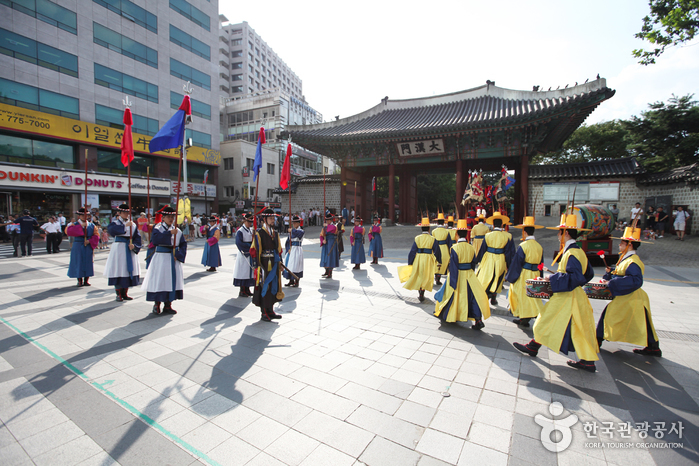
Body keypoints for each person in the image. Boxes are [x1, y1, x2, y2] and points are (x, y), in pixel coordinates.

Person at [513, 214, 599, 372]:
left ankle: (534, 347)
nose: (558, 235)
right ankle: (587, 360)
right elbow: (588, 274)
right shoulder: (579, 251)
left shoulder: (571, 254)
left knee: (544, 320)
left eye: (560, 232)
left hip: (567, 297)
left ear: (566, 233)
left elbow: (574, 276)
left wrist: (553, 278)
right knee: (578, 327)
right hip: (575, 295)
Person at [596, 226, 661, 356]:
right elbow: (620, 275)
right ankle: (653, 347)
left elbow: (636, 280)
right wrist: (610, 275)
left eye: (622, 243)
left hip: (631, 297)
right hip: (629, 297)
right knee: (642, 322)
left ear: (629, 245)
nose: (619, 245)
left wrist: (612, 282)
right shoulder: (626, 259)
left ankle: (597, 340)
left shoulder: (633, 261)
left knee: (608, 316)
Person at [434, 219, 490, 329]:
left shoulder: (454, 248)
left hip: (458, 274)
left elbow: (453, 266)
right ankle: (478, 319)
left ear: (457, 234)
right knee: (473, 297)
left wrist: (453, 282)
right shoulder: (471, 247)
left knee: (453, 295)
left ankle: (450, 315)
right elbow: (473, 263)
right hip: (469, 275)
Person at [141, 206, 187, 315]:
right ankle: (157, 304)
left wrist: (179, 255)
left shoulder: (178, 230)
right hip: (161, 258)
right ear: (163, 217)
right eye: (169, 217)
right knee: (159, 280)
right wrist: (170, 234)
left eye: (173, 217)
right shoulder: (158, 228)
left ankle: (168, 305)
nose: (171, 219)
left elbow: (183, 245)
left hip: (173, 257)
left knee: (171, 281)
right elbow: (155, 240)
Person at [505, 216, 545, 327]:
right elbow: (541, 263)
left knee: (521, 295)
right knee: (533, 296)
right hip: (535, 274)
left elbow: (517, 263)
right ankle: (525, 318)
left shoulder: (523, 246)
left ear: (524, 232)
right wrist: (540, 277)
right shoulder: (539, 246)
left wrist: (511, 277)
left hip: (525, 274)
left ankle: (526, 316)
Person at [250, 208, 284, 321]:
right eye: (270, 218)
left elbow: (278, 250)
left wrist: (281, 262)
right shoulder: (259, 233)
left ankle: (271, 310)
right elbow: (254, 250)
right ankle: (264, 312)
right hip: (264, 264)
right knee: (265, 286)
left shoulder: (275, 233)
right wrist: (256, 266)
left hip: (274, 263)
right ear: (264, 219)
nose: (273, 220)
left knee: (273, 286)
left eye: (273, 218)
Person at [475, 211, 515, 306]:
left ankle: (485, 295)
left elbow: (482, 249)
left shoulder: (488, 235)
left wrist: (478, 261)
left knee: (486, 276)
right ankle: (493, 298)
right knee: (498, 277)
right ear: (502, 225)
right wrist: (509, 266)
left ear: (493, 225)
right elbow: (509, 252)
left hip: (488, 258)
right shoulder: (508, 236)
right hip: (500, 259)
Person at [104, 204, 142, 302]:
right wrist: (124, 226)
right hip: (119, 248)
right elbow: (112, 231)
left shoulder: (133, 224)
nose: (126, 214)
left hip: (129, 247)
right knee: (119, 269)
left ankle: (125, 292)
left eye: (127, 212)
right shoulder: (115, 223)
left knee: (128, 270)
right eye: (124, 212)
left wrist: (134, 245)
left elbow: (137, 237)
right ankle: (118, 293)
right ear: (119, 213)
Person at [399, 217, 442, 302]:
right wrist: (439, 260)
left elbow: (412, 251)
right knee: (426, 276)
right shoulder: (432, 239)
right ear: (429, 228)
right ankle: (422, 291)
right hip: (428, 258)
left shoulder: (417, 238)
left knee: (419, 275)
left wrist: (410, 262)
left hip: (419, 258)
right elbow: (437, 251)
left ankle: (420, 291)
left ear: (421, 228)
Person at [66, 208, 99, 286]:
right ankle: (79, 280)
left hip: (87, 245)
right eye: (82, 215)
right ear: (79, 216)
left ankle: (86, 280)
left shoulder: (92, 225)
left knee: (88, 262)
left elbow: (96, 235)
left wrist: (90, 241)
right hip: (78, 245)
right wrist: (80, 227)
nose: (84, 217)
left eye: (86, 215)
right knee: (78, 262)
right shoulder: (74, 224)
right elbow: (68, 231)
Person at [233, 213, 256, 297]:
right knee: (243, 272)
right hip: (244, 254)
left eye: (251, 222)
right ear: (245, 221)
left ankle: (247, 288)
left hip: (250, 253)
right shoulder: (240, 231)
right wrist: (249, 247)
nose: (250, 224)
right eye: (248, 222)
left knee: (249, 272)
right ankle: (242, 290)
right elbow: (239, 243)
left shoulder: (250, 230)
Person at [432, 213, 452, 286]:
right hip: (444, 248)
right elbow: (449, 243)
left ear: (437, 222)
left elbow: (432, 241)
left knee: (436, 262)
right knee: (443, 263)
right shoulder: (446, 231)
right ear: (443, 222)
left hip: (436, 248)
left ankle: (436, 275)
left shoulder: (434, 231)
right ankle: (438, 278)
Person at [284, 215, 304, 287]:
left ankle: (296, 280)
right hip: (291, 249)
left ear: (298, 223)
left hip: (297, 249)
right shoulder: (291, 231)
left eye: (295, 223)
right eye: (293, 223)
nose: (294, 224)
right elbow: (288, 241)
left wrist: (292, 230)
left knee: (296, 265)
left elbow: (299, 235)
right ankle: (291, 280)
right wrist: (288, 248)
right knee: (290, 265)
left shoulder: (301, 231)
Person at [320, 213, 339, 278]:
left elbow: (332, 229)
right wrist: (322, 240)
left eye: (329, 220)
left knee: (330, 257)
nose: (328, 221)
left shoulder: (334, 226)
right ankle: (326, 270)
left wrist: (326, 226)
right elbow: (321, 235)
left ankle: (330, 272)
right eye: (327, 220)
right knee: (325, 257)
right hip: (326, 243)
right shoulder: (325, 227)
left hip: (331, 242)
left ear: (331, 220)